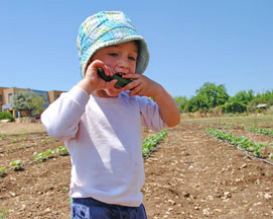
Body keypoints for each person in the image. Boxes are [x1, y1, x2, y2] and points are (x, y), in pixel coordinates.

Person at [41, 11, 180, 219]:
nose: (124, 63)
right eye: (114, 54)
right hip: (92, 204)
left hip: (133, 205)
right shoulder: (80, 102)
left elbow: (172, 119)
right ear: (90, 62)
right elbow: (55, 127)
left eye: (131, 57)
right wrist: (87, 85)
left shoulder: (134, 102)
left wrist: (157, 91)